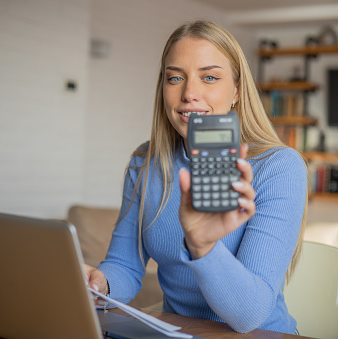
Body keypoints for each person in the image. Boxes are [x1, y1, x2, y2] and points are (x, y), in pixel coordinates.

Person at [85, 20, 308, 334]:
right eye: (175, 77)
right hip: (178, 332)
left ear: (237, 90)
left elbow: (249, 316)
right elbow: (124, 265)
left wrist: (203, 246)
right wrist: (99, 285)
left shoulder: (278, 167)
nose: (189, 93)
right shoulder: (144, 164)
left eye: (210, 77)